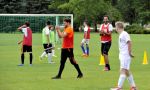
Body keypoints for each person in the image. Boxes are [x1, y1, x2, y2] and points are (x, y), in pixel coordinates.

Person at [111, 21, 137, 90]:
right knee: (127, 71)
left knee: (122, 70)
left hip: (125, 55)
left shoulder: (124, 34)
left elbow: (129, 42)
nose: (115, 28)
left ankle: (119, 87)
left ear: (118, 27)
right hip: (122, 55)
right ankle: (133, 87)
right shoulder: (121, 34)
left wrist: (130, 52)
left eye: (115, 27)